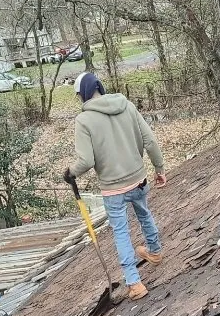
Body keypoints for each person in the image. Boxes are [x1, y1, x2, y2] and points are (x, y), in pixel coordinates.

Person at [63, 73, 166, 301]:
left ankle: (134, 282)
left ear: (83, 95)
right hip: (138, 179)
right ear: (100, 87)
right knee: (144, 215)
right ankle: (155, 252)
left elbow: (86, 161)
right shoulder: (126, 105)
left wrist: (70, 172)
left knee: (121, 232)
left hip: (113, 189)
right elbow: (149, 140)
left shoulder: (84, 120)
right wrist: (159, 168)